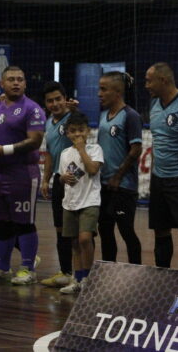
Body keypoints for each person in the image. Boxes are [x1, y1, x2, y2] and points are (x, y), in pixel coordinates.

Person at [0, 66, 45, 285]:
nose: (16, 83)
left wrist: (4, 150)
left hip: (22, 173)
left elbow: (35, 140)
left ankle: (27, 269)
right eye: (11, 79)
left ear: (25, 83)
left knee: (23, 222)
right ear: (1, 84)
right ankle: (2, 268)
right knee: (0, 222)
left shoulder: (32, 109)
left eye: (20, 80)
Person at [145, 62, 178, 268]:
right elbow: (156, 141)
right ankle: (162, 275)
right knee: (160, 229)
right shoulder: (153, 104)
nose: (146, 85)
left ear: (163, 80)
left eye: (149, 80)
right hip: (158, 179)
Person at [96, 71, 143, 265]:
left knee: (126, 231)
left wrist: (117, 176)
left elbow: (136, 149)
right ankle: (108, 270)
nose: (99, 93)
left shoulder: (130, 116)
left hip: (123, 186)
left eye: (103, 89)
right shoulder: (103, 115)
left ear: (117, 92)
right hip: (103, 185)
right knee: (105, 231)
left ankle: (135, 272)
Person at [57, 111, 103, 294]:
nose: (77, 135)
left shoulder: (95, 149)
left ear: (88, 132)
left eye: (81, 130)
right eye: (73, 131)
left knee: (85, 238)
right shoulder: (65, 153)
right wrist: (62, 178)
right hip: (70, 202)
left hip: (89, 201)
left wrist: (82, 149)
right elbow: (63, 177)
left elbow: (92, 169)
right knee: (75, 242)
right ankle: (77, 279)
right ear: (67, 133)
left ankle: (88, 278)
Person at [40, 82, 74, 288]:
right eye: (50, 101)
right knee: (60, 228)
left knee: (77, 231)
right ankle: (65, 272)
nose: (55, 104)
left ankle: (81, 274)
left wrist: (76, 110)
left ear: (65, 99)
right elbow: (50, 153)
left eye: (58, 99)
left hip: (76, 181)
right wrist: (46, 179)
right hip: (59, 181)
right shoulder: (48, 122)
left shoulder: (74, 117)